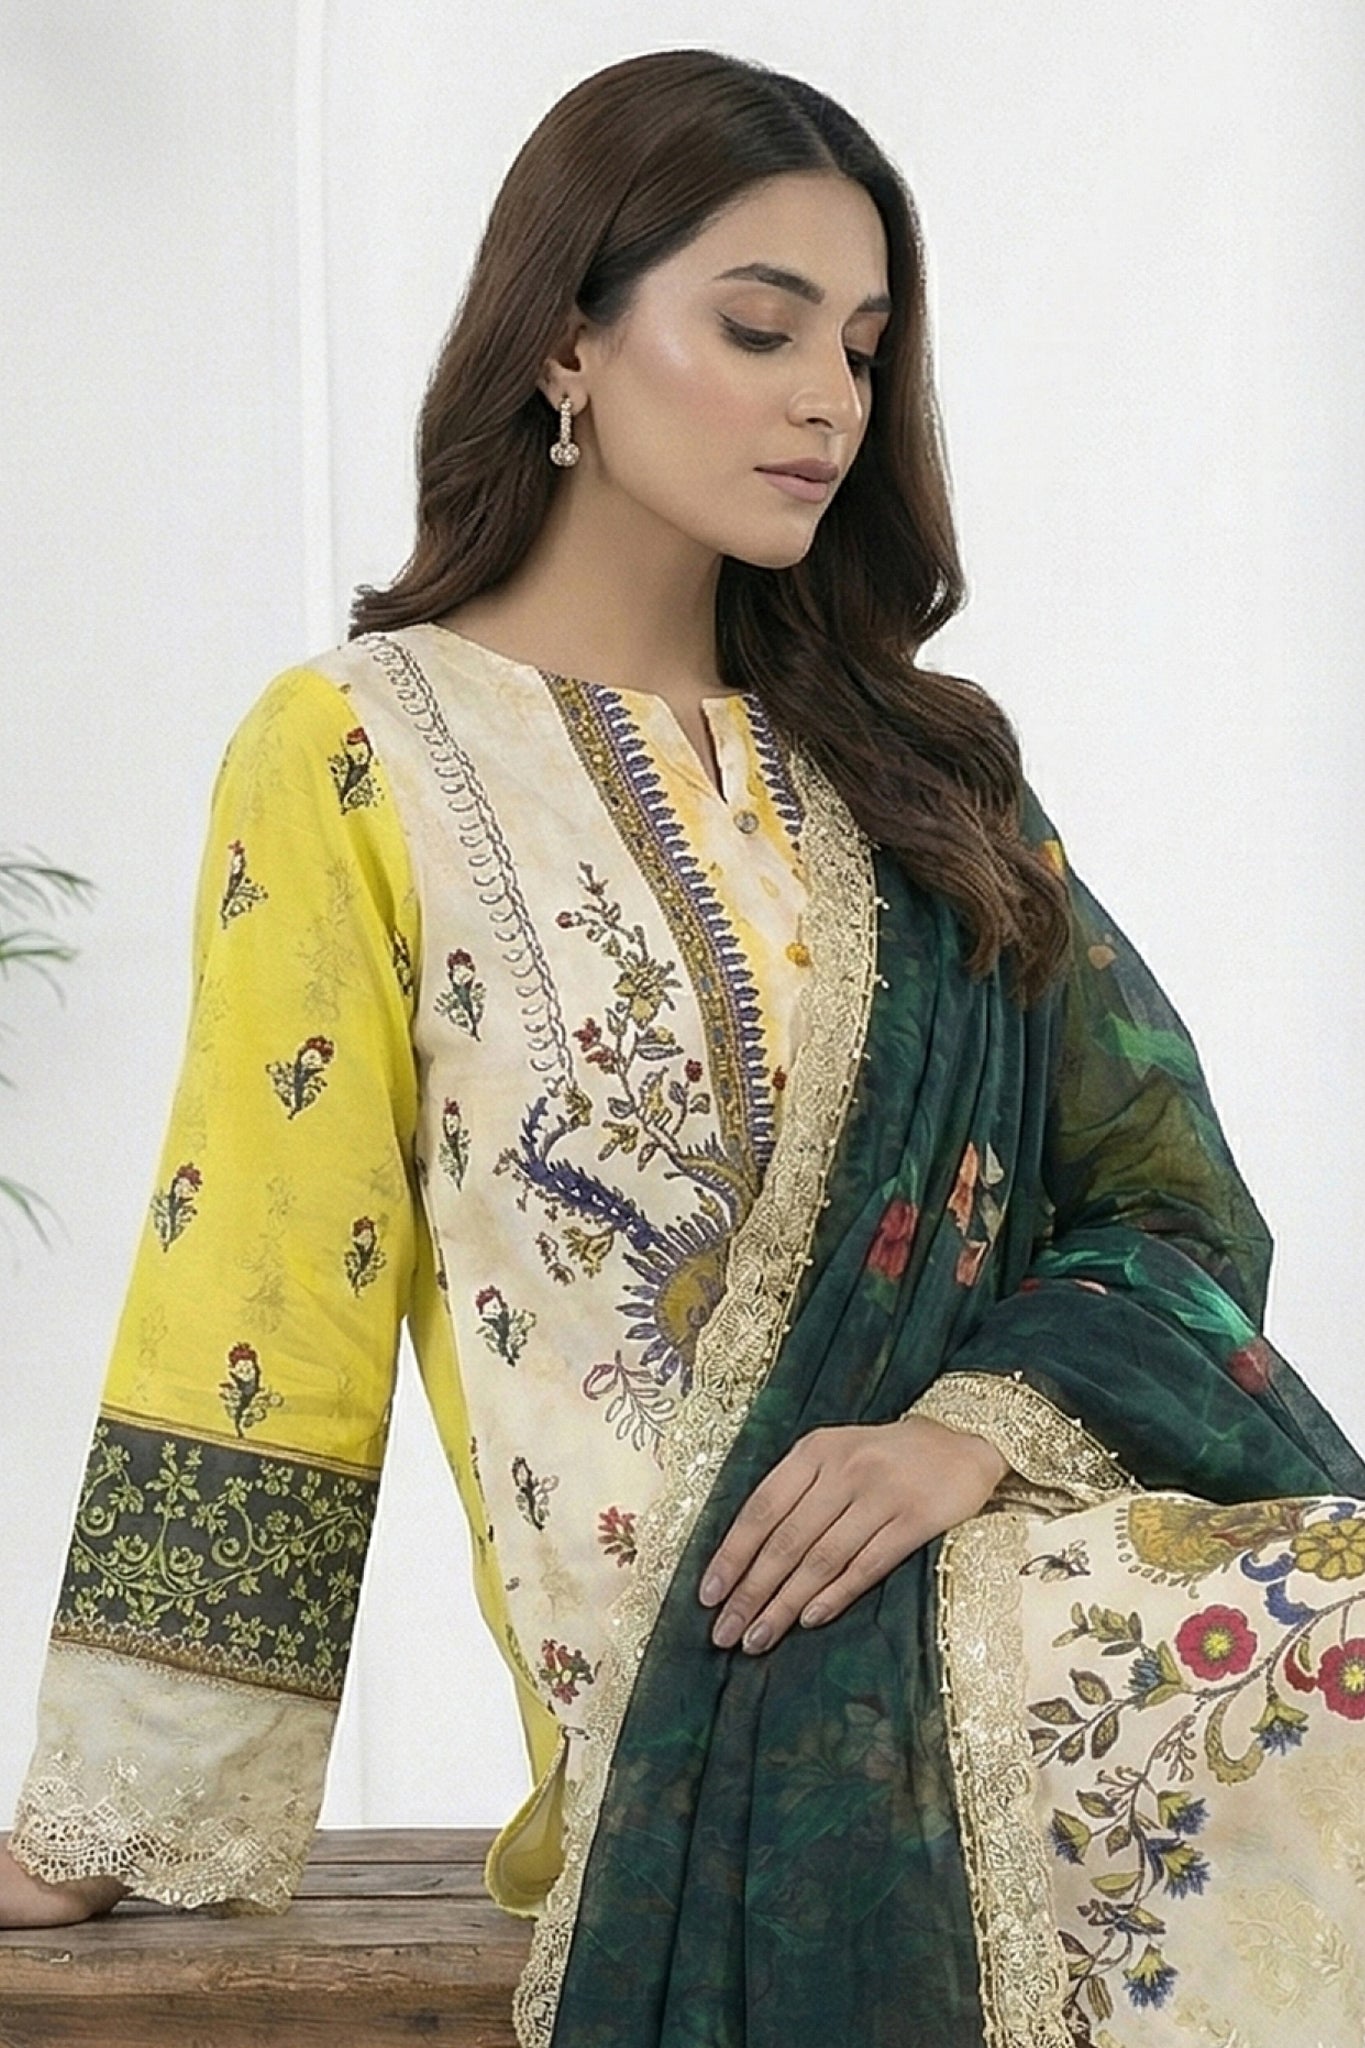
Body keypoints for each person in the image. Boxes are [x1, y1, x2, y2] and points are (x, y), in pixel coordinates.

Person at [4, 45, 1364, 2048]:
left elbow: (1171, 1205)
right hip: (712, 1678)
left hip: (1023, 1563)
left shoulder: (925, 776)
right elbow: (265, 1296)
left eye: (864, 349)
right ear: (564, 342)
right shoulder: (358, 751)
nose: (830, 400)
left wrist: (966, 1427)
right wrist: (111, 1811)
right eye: (758, 327)